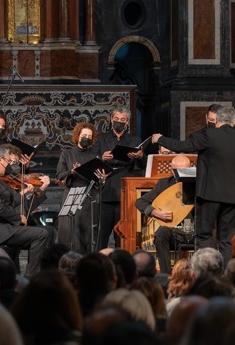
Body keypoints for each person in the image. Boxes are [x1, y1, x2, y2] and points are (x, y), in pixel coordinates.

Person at [153, 106, 235, 265]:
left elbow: (182, 146)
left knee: (204, 235)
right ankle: (224, 276)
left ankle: (204, 273)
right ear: (233, 122)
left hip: (209, 195)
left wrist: (160, 139)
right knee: (226, 240)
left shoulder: (209, 135)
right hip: (233, 196)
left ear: (217, 120)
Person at [0, 144, 53, 277]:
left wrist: (39, 190)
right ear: (0, 159)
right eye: (8, 161)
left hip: (5, 227)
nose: (9, 166)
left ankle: (43, 272)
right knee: (42, 234)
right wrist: (18, 218)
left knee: (50, 231)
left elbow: (12, 201)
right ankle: (31, 276)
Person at [94, 106, 144, 250]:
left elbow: (141, 165)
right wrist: (101, 158)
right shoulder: (101, 138)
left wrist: (140, 156)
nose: (119, 122)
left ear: (127, 122)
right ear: (111, 119)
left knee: (122, 235)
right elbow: (92, 160)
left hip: (125, 191)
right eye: (116, 119)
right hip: (105, 191)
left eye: (123, 120)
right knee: (101, 235)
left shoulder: (134, 139)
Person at [135, 154, 194, 274]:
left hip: (195, 231)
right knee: (161, 232)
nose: (182, 173)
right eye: (179, 170)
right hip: (174, 231)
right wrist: (156, 213)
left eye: (185, 169)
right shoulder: (164, 184)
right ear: (172, 170)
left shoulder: (199, 184)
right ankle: (165, 275)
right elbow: (140, 202)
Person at [56, 121, 99, 253]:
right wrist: (72, 172)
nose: (87, 138)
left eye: (89, 136)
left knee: (85, 235)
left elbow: (98, 180)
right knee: (69, 233)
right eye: (84, 135)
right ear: (78, 136)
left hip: (88, 197)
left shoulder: (94, 156)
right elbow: (59, 174)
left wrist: (101, 177)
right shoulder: (67, 153)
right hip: (71, 196)